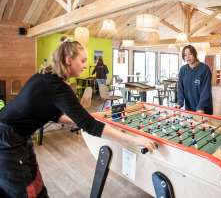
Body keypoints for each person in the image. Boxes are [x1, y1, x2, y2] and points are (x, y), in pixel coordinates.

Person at [0, 36, 155, 198]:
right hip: (8, 139)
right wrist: (135, 140)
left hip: (15, 137)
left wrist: (92, 119)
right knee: (28, 192)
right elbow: (90, 126)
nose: (85, 65)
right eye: (82, 61)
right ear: (69, 60)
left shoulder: (44, 77)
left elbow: (56, 116)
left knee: (37, 188)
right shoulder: (57, 86)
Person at [174, 45, 213, 115]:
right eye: (185, 55)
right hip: (189, 109)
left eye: (190, 54)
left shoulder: (205, 69)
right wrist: (179, 102)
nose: (187, 57)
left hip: (203, 109)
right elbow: (180, 88)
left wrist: (201, 107)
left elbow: (206, 91)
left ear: (195, 54)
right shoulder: (183, 70)